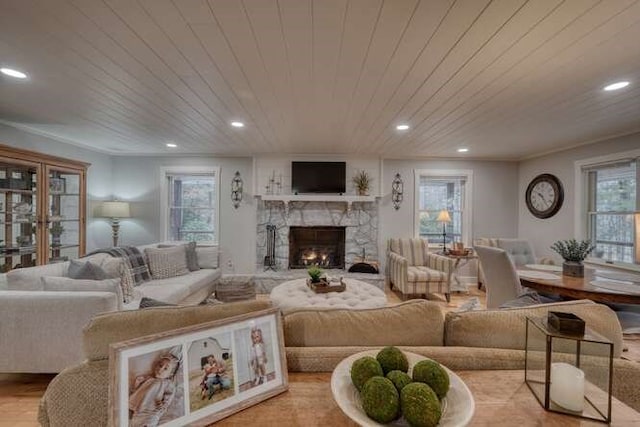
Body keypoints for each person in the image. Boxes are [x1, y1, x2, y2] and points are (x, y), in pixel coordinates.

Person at [129, 353, 180, 427]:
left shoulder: (167, 383)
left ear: (170, 374)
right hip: (138, 412)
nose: (160, 369)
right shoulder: (149, 379)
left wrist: (164, 404)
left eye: (165, 368)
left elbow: (170, 395)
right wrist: (137, 383)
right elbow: (138, 392)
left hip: (151, 413)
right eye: (160, 365)